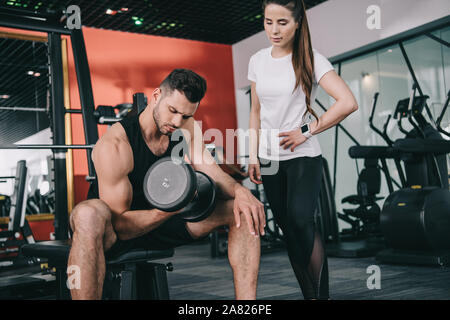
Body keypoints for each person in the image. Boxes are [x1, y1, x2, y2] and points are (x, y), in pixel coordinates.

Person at [68, 69, 265, 300]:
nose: (177, 121)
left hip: (166, 220)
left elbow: (209, 168)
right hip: (118, 230)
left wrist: (241, 191)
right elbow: (121, 224)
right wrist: (173, 208)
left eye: (186, 115)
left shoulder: (186, 126)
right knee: (87, 214)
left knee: (241, 210)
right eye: (172, 111)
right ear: (156, 95)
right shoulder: (115, 144)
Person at [247, 0, 358, 299]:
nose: (274, 29)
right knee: (288, 229)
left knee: (300, 220)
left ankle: (321, 296)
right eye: (269, 22)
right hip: (269, 158)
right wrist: (253, 154)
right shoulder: (257, 60)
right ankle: (310, 296)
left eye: (282, 22)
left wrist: (305, 131)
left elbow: (347, 102)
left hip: (303, 156)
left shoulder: (311, 58)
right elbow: (256, 111)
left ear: (297, 23)